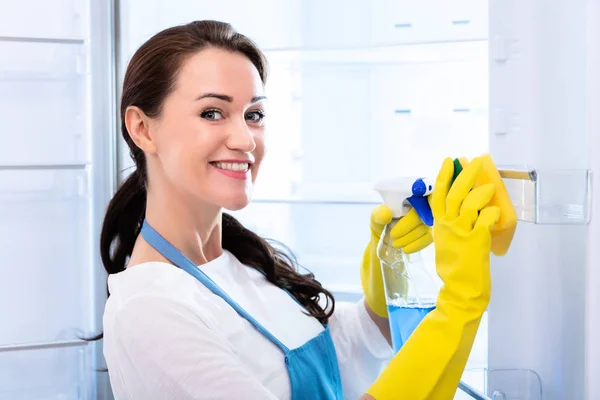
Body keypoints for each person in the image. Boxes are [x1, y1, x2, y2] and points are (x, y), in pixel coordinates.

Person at [100, 20, 499, 400]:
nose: (244, 139)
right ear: (142, 128)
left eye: (253, 115)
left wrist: (388, 271)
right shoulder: (149, 312)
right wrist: (459, 303)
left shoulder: (242, 263)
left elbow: (342, 354)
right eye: (212, 113)